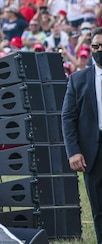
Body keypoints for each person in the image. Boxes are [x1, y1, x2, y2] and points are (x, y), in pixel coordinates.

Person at [62, 27, 102, 243]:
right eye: (95, 46)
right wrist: (73, 151)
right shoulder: (78, 79)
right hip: (93, 152)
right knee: (98, 208)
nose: (99, 50)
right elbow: (67, 118)